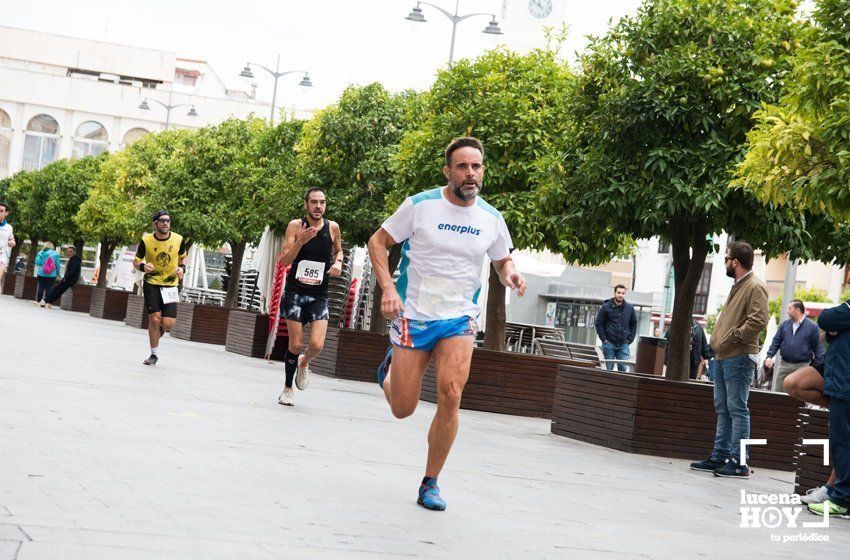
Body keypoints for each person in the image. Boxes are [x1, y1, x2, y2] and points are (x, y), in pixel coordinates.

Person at [368, 137, 526, 511]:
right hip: (414, 316)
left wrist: (512, 274)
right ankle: (389, 374)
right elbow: (378, 242)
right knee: (403, 408)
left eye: (477, 166)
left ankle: (431, 482)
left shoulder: (491, 218)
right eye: (462, 166)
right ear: (448, 171)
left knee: (451, 395)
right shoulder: (421, 205)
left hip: (458, 318)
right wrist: (388, 288)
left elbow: (503, 260)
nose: (470, 174)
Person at [690, 241, 768, 478]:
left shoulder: (754, 285)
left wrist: (731, 338)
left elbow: (758, 321)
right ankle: (720, 456)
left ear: (735, 262)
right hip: (724, 356)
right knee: (723, 408)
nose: (725, 262)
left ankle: (739, 461)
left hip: (739, 356)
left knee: (737, 408)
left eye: (727, 259)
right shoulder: (740, 285)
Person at [275, 187, 344, 407]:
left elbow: (339, 250)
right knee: (295, 344)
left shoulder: (332, 227)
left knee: (317, 344)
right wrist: (301, 241)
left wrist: (339, 262)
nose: (318, 206)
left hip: (319, 295)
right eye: (314, 202)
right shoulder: (295, 226)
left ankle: (304, 363)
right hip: (296, 293)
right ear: (306, 204)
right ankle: (287, 388)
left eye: (322, 202)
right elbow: (285, 261)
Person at [806, 301, 850, 518]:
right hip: (841, 381)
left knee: (842, 441)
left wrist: (835, 332)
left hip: (845, 382)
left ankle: (841, 499)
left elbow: (825, 319)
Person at [133, 211, 187, 366]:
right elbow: (136, 261)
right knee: (154, 318)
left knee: (168, 323)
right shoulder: (146, 240)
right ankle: (153, 354)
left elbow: (183, 257)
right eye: (162, 220)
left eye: (168, 221)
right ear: (154, 224)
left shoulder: (178, 239)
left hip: (171, 284)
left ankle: (160, 329)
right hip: (152, 283)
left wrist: (182, 268)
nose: (165, 223)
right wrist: (144, 266)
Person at [764, 300, 824, 392]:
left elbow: (818, 347)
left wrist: (816, 366)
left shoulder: (812, 327)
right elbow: (776, 341)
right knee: (777, 392)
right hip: (784, 365)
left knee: (797, 394)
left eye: (789, 308)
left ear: (797, 310)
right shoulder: (784, 325)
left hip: (802, 366)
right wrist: (769, 356)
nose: (787, 311)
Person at [595, 285, 637, 371]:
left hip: (623, 345)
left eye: (623, 293)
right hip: (609, 344)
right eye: (618, 292)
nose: (620, 295)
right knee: (608, 369)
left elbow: (634, 324)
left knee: (623, 369)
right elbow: (599, 323)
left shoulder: (630, 308)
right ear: (614, 293)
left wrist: (630, 340)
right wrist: (604, 339)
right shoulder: (606, 306)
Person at [34, 241, 60, 306]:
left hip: (41, 273)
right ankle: (47, 303)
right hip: (52, 274)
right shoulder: (56, 254)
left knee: (41, 287)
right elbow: (58, 265)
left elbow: (38, 263)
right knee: (49, 288)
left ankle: (38, 302)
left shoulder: (41, 253)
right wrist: (57, 273)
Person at [0, 202, 15, 295]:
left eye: (1, 211)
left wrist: (11, 243)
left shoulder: (9, 228)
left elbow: (12, 241)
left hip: (1, 258)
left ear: (6, 213)